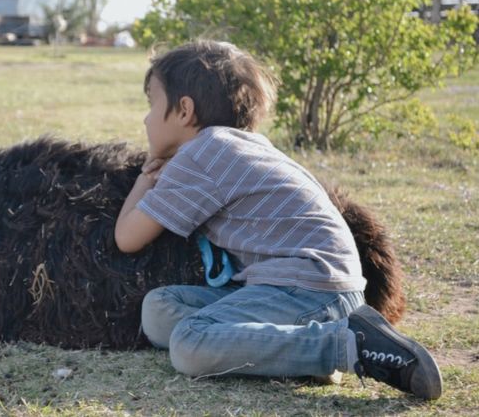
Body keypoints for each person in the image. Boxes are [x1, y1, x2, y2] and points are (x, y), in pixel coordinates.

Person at [114, 41, 442, 400]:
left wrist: (145, 178)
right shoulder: (246, 144)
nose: (146, 119)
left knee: (189, 343)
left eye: (151, 105)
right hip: (311, 284)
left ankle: (347, 346)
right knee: (159, 310)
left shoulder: (198, 157)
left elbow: (127, 237)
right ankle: (296, 353)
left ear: (184, 111)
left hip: (307, 290)